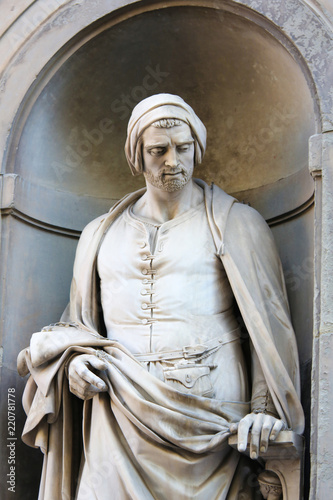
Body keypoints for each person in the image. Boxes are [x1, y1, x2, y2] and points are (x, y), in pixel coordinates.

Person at [18, 94, 304, 500]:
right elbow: (79, 327)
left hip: (210, 420)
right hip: (117, 414)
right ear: (137, 156)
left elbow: (266, 329)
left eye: (183, 148)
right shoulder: (99, 235)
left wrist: (265, 411)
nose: (173, 160)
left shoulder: (234, 223)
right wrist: (76, 364)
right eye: (159, 150)